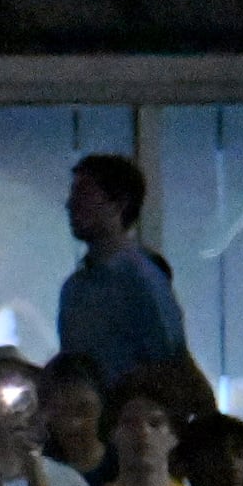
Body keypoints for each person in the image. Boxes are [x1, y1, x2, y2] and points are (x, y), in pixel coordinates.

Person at [56, 155, 188, 387]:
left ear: (118, 203)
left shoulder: (142, 279)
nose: (71, 203)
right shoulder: (75, 287)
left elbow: (170, 363)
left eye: (84, 193)